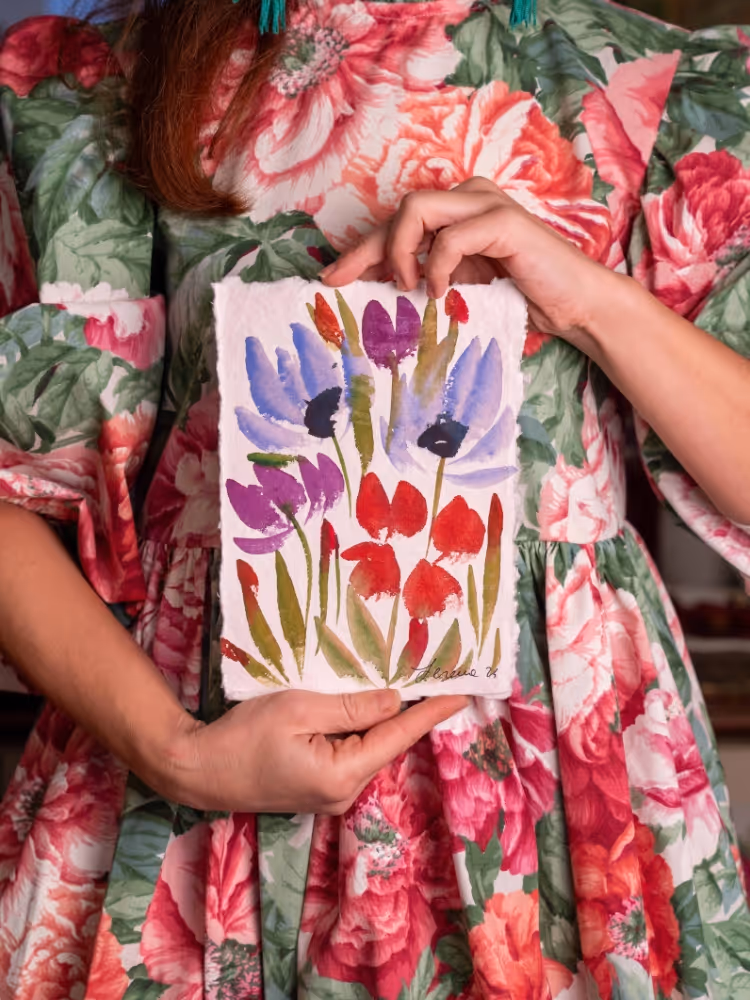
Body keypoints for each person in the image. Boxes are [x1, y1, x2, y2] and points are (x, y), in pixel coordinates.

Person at [0, 0, 749, 996]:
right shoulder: (109, 87)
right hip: (193, 777)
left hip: (562, 798)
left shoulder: (635, 80)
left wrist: (589, 301)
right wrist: (179, 755)